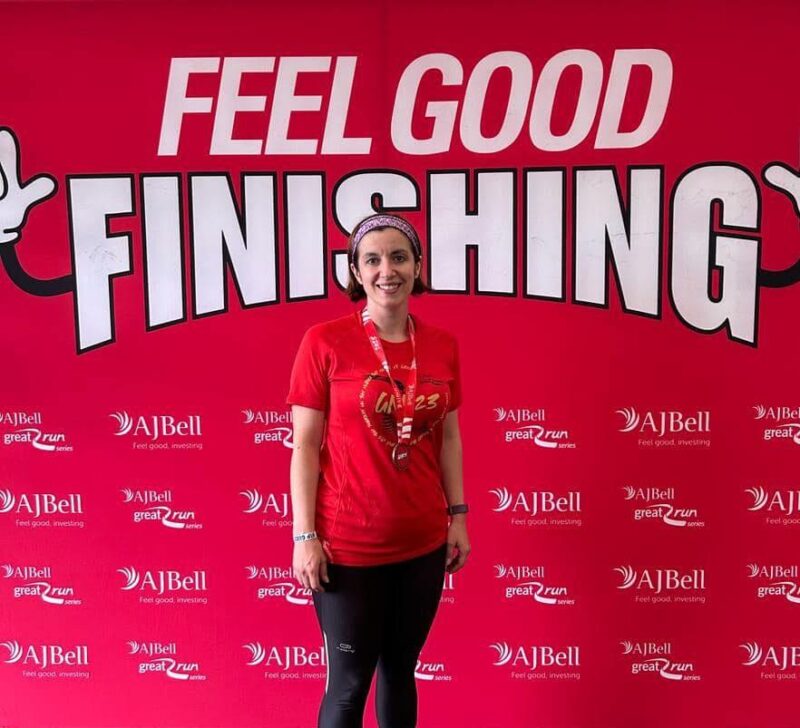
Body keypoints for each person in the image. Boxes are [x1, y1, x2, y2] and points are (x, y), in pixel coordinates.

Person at [287, 213, 470, 728]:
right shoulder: (324, 342)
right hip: (348, 546)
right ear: (355, 271)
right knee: (347, 687)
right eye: (372, 259)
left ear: (416, 266)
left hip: (422, 544)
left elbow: (449, 437)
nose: (386, 270)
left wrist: (458, 516)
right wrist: (305, 535)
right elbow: (303, 445)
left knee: (400, 672)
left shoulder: (442, 345)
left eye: (398, 256)